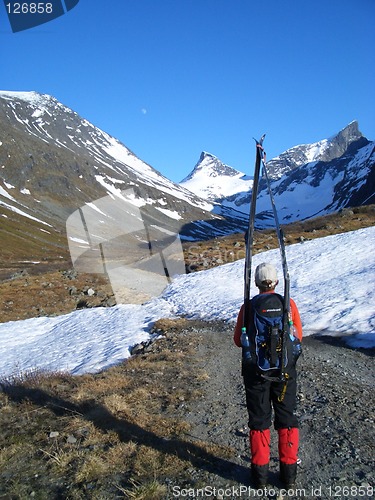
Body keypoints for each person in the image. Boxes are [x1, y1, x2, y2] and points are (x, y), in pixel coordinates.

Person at [234, 262, 303, 489]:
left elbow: (238, 341)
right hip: (285, 372)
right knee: (287, 418)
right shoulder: (287, 303)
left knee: (259, 420)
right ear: (276, 282)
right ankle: (288, 476)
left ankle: (260, 478)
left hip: (256, 373)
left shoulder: (248, 307)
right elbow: (298, 338)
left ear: (256, 283)